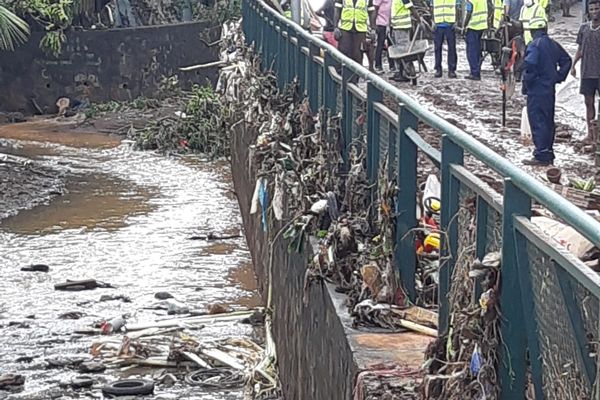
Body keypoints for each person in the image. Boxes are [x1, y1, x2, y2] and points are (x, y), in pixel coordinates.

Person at [521, 19, 572, 165]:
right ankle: (548, 151)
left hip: (536, 89)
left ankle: (541, 154)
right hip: (549, 89)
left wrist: (527, 83)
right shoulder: (552, 44)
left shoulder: (534, 45)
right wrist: (558, 76)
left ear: (531, 31)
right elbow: (567, 60)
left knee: (538, 121)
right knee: (548, 120)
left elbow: (530, 65)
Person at [571, 0, 600, 145]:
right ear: (589, 11)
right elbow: (580, 49)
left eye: (597, 8)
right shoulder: (583, 28)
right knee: (588, 103)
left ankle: (598, 135)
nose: (595, 11)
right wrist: (573, 65)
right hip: (587, 72)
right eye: (592, 9)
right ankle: (590, 134)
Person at [334, 0, 377, 66]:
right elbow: (337, 9)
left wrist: (373, 29)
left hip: (360, 31)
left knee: (358, 56)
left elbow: (371, 12)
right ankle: (342, 74)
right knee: (344, 54)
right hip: (345, 29)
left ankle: (355, 76)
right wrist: (336, 27)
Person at [390, 0, 420, 81]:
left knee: (403, 52)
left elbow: (411, 7)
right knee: (402, 51)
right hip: (398, 26)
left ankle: (405, 73)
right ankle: (402, 72)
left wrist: (419, 19)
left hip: (401, 26)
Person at [431, 0, 459, 78]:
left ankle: (452, 70)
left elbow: (458, 7)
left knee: (452, 48)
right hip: (438, 24)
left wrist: (457, 21)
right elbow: (432, 7)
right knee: (437, 48)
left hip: (450, 24)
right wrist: (432, 21)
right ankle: (438, 69)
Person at [462, 0, 489, 80]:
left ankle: (474, 73)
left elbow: (469, 13)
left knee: (471, 51)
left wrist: (464, 26)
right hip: (482, 26)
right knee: (477, 50)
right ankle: (477, 71)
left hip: (473, 26)